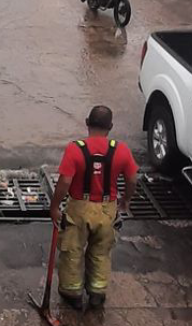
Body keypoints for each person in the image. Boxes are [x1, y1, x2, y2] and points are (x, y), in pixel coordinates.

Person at [47, 105, 137, 311]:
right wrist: (126, 199)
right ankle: (97, 293)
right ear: (111, 126)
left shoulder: (75, 148)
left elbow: (64, 182)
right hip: (107, 210)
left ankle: (72, 293)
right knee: (101, 252)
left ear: (87, 122)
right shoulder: (121, 149)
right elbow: (132, 178)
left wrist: (54, 207)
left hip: (79, 208)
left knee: (72, 251)